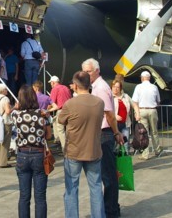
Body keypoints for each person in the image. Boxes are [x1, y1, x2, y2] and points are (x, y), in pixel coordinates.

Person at [58, 71, 106, 218]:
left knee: (71, 188)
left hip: (74, 151)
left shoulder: (70, 104)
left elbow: (61, 121)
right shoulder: (99, 102)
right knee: (96, 187)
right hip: (94, 150)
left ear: (76, 86)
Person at [83, 58, 123, 218]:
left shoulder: (100, 88)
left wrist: (116, 133)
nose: (86, 74)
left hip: (105, 134)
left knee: (108, 175)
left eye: (89, 71)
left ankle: (111, 210)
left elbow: (109, 114)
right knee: (103, 174)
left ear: (97, 71)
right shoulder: (95, 87)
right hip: (100, 134)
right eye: (84, 71)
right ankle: (109, 208)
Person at [11, 85, 52, 218]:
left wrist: (17, 107)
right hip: (39, 153)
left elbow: (10, 113)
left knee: (24, 196)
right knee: (40, 197)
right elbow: (49, 136)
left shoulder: (16, 115)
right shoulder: (42, 114)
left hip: (22, 155)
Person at [132, 70, 162, 160]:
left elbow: (134, 101)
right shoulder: (154, 87)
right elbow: (158, 101)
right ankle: (157, 150)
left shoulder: (138, 87)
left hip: (142, 110)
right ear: (149, 78)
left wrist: (136, 113)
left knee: (143, 133)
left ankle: (145, 154)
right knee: (154, 132)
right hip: (152, 110)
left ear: (142, 78)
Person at [48, 75, 72, 152]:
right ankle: (57, 139)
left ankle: (64, 148)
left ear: (53, 82)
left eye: (51, 83)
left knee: (60, 129)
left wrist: (47, 110)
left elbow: (51, 102)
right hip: (69, 109)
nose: (50, 85)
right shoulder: (65, 87)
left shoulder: (55, 89)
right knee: (55, 121)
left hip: (61, 110)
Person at [111, 80, 134, 145]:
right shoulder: (109, 97)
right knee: (114, 145)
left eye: (117, 87)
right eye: (114, 86)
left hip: (125, 123)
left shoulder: (126, 96)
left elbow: (134, 104)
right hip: (114, 124)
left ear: (120, 88)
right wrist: (115, 116)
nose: (115, 88)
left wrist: (137, 112)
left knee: (125, 143)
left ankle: (125, 154)